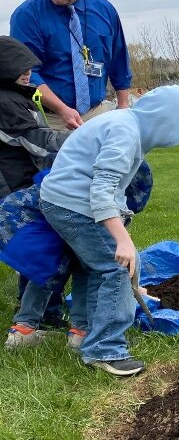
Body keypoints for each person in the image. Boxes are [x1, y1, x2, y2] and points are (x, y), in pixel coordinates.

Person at [40, 85, 179, 376]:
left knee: (94, 266)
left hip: (64, 200)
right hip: (74, 204)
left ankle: (84, 333)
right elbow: (100, 191)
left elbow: (115, 191)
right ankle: (104, 349)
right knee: (118, 267)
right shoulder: (125, 133)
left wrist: (121, 228)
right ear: (163, 122)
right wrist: (123, 244)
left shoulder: (125, 124)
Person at [10, 0, 131, 131]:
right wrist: (62, 109)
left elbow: (119, 59)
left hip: (97, 114)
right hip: (49, 119)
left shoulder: (105, 10)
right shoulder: (27, 16)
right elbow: (27, 73)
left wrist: (123, 107)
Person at [0, 35, 72, 343]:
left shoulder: (17, 94)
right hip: (13, 187)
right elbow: (36, 142)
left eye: (30, 67)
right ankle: (31, 322)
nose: (27, 73)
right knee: (41, 249)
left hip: (22, 181)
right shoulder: (5, 101)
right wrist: (84, 142)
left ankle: (43, 315)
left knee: (37, 250)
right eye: (20, 67)